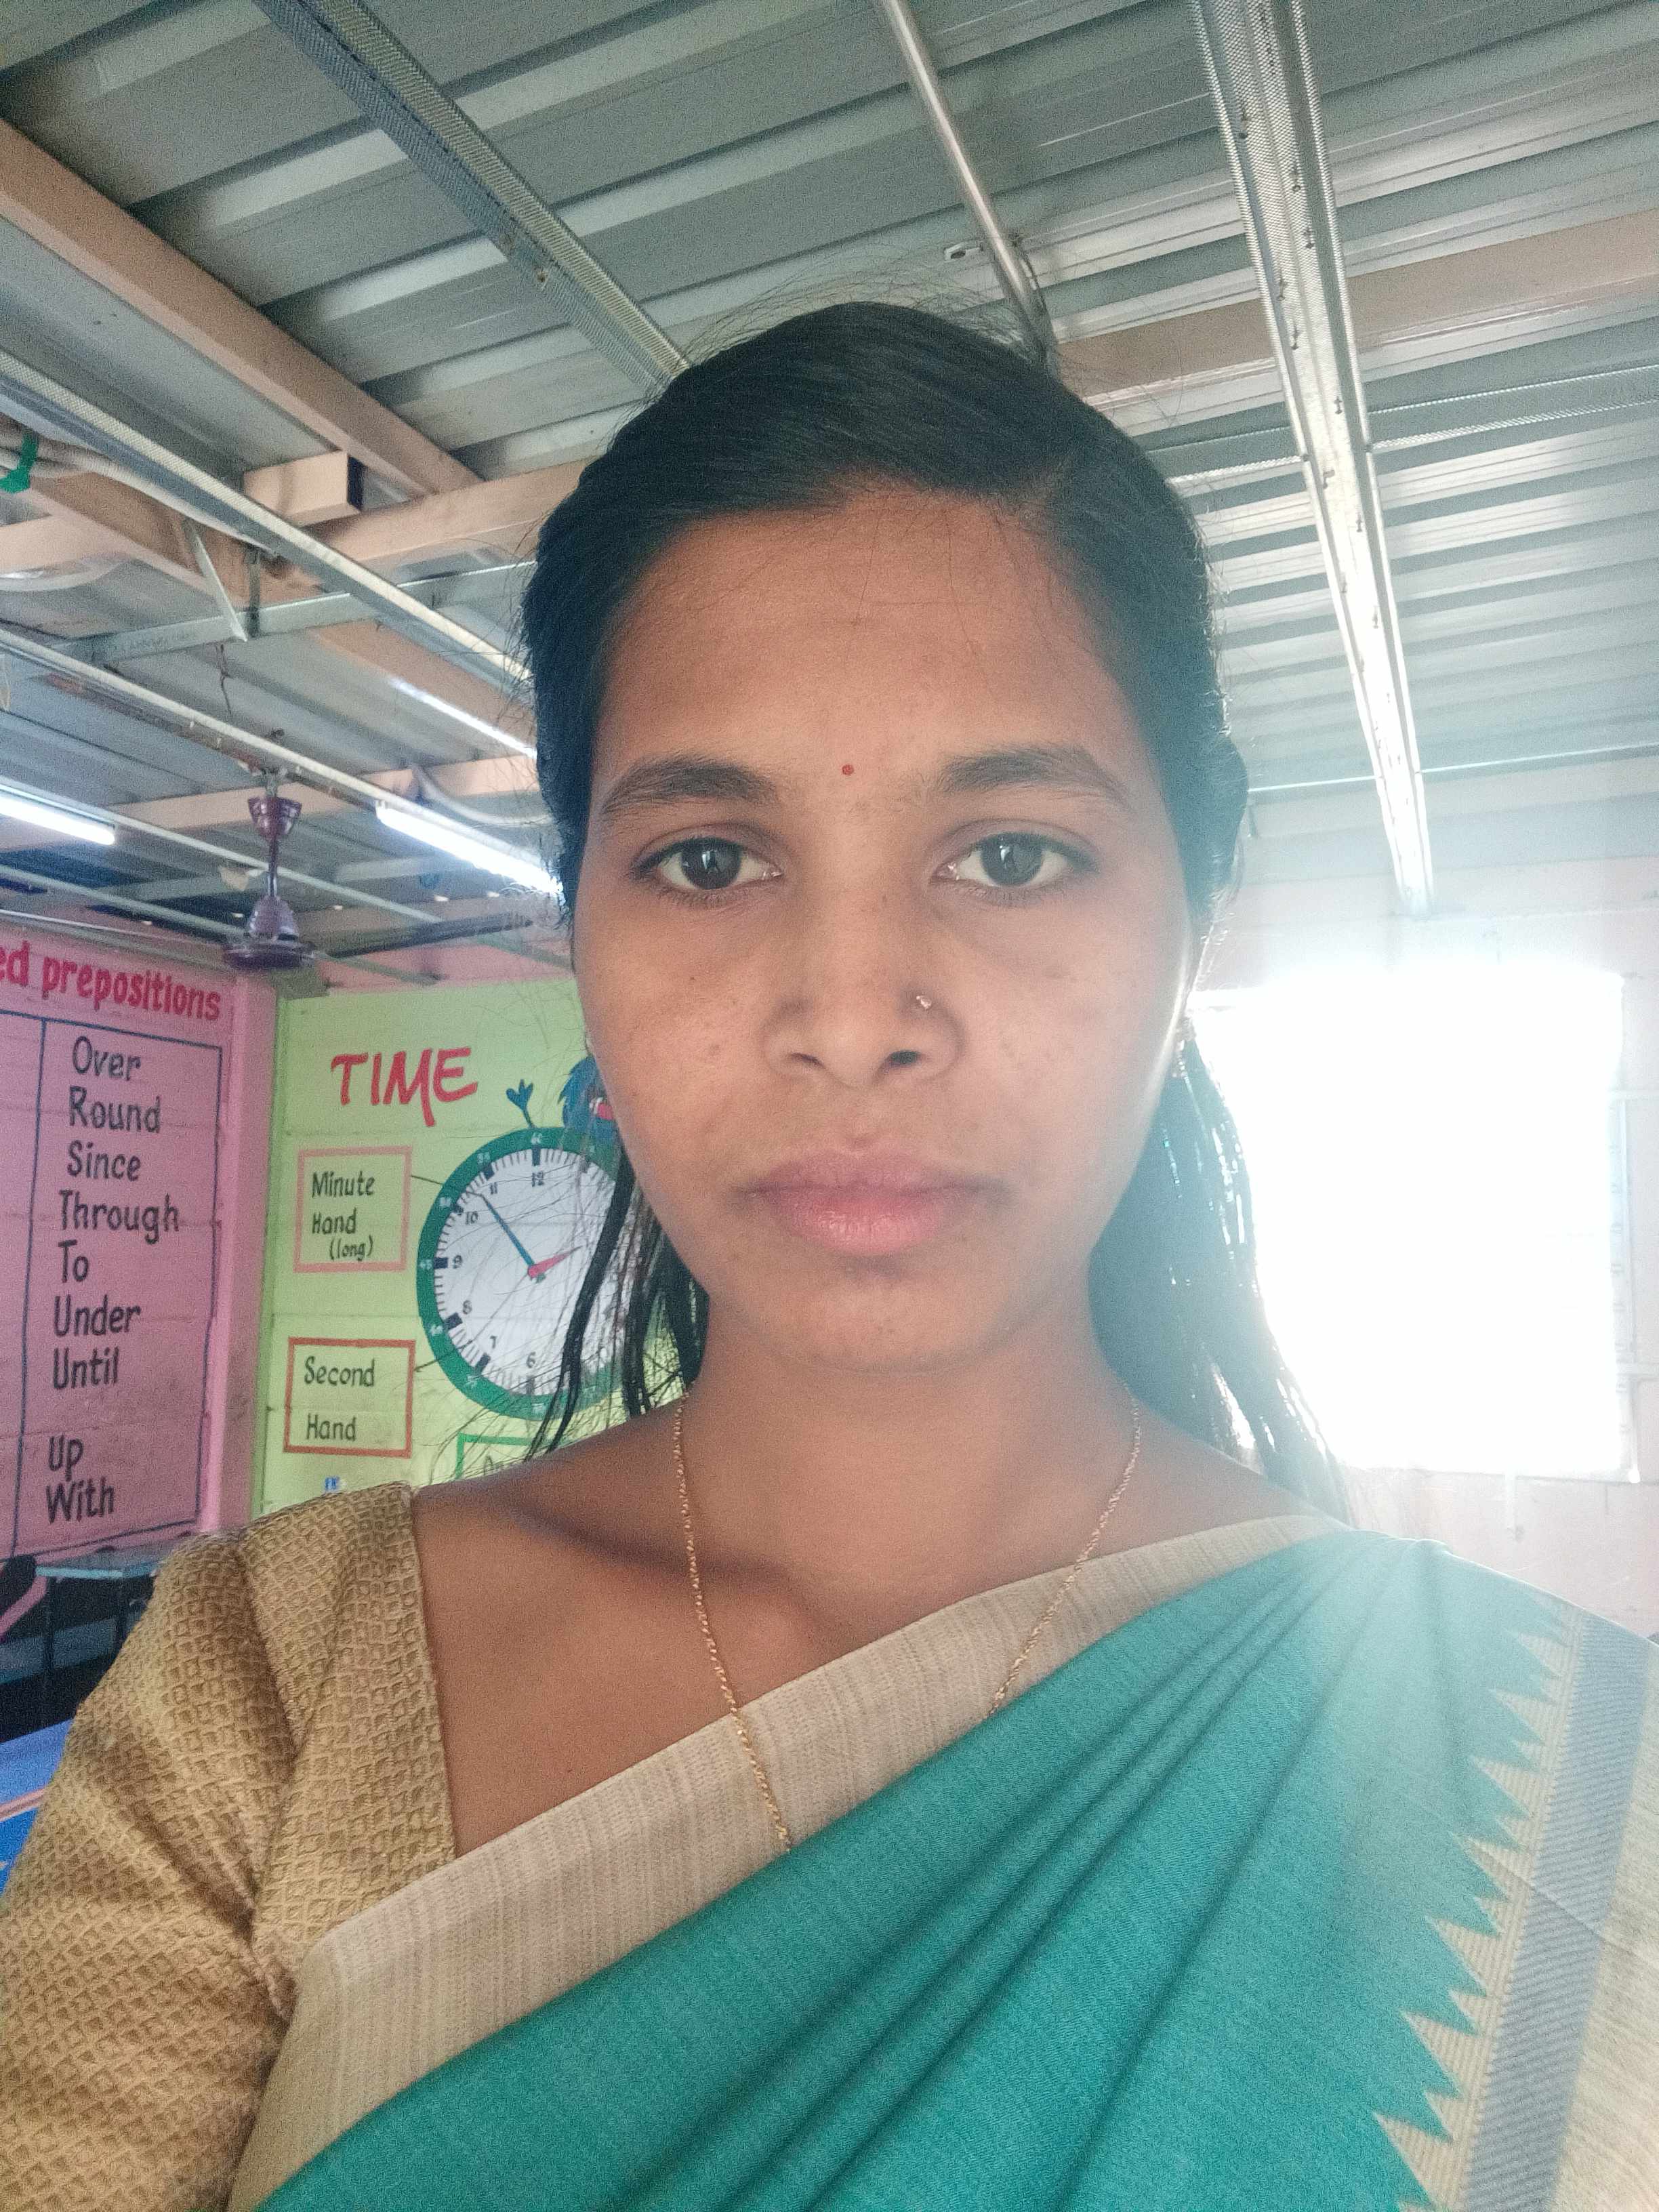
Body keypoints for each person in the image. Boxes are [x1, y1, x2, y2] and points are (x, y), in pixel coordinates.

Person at [1, 303, 1654, 2211]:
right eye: (710, 858)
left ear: (1202, 895)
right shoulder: (272, 1692)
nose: (854, 1020)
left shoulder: (1572, 1829)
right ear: (579, 915)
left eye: (1012, 855)